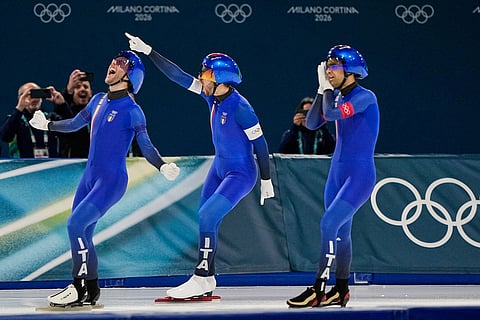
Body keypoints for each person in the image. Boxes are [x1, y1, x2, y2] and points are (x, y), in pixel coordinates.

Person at [125, 32, 275, 299]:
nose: (201, 79)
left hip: (241, 173)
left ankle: (201, 276)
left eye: (206, 75)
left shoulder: (242, 108)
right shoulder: (211, 97)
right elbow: (178, 76)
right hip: (220, 168)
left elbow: (261, 145)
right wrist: (149, 51)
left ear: (221, 81)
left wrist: (266, 179)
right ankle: (208, 279)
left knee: (207, 216)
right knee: (205, 216)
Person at [29, 50, 180, 307]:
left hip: (111, 181)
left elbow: (146, 145)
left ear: (130, 77)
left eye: (120, 63)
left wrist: (162, 166)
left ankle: (77, 286)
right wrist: (48, 125)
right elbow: (76, 123)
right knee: (83, 232)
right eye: (113, 60)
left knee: (74, 226)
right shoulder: (98, 100)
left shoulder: (133, 111)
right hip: (89, 177)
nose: (112, 64)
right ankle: (92, 289)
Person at [286, 45, 379, 308]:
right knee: (341, 233)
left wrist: (326, 90)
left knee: (329, 224)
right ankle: (341, 289)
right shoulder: (334, 96)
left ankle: (318, 288)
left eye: (334, 67)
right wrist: (320, 90)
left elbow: (333, 114)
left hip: (359, 175)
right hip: (337, 172)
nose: (329, 71)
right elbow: (314, 123)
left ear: (350, 71)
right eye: (327, 67)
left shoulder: (365, 97)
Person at [0, 82, 59, 158]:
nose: (34, 98)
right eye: (29, 95)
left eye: (36, 94)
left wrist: (61, 105)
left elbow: (72, 132)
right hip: (24, 168)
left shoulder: (51, 118)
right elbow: (5, 137)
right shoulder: (15, 120)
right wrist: (19, 108)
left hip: (50, 167)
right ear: (20, 98)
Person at [53, 69, 93, 158]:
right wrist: (68, 91)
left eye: (86, 87)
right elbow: (68, 122)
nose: (82, 89)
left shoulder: (97, 114)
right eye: (77, 87)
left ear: (91, 93)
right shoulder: (65, 112)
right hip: (72, 165)